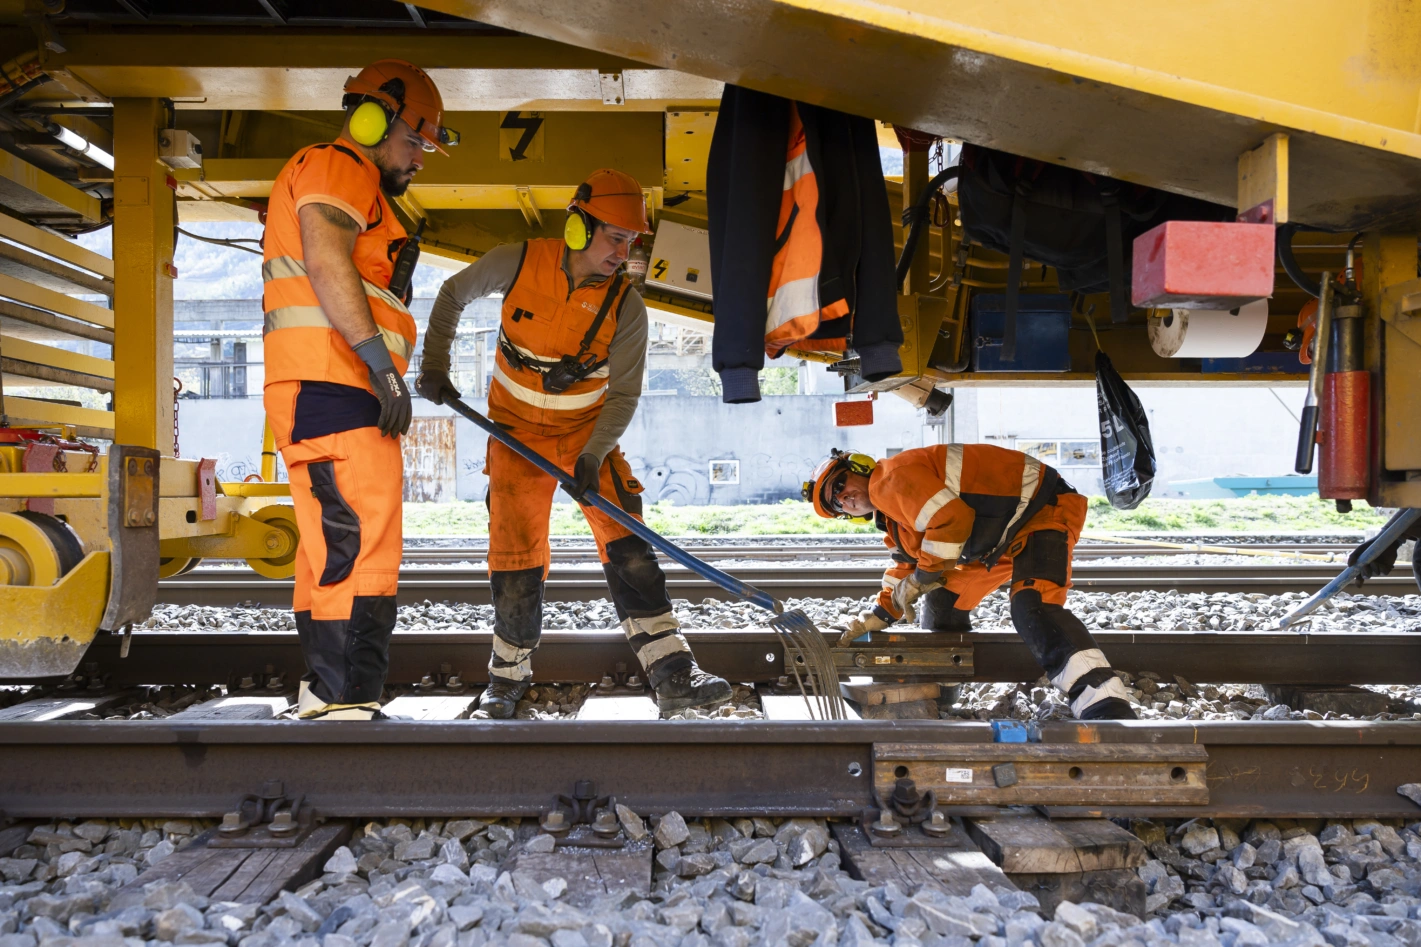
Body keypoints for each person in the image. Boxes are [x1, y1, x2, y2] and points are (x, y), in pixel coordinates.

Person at [416, 169, 732, 718]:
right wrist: (436, 365)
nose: (623, 252)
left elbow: (624, 394)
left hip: (587, 438)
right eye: (615, 237)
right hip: (514, 439)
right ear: (580, 227)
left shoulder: (627, 309)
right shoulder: (517, 261)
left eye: (631, 241)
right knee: (515, 563)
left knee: (629, 546)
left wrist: (592, 454)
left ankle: (673, 674)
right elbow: (450, 296)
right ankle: (505, 683)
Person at [261, 59, 458, 720]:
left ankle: (324, 696)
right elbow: (325, 259)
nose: (419, 159)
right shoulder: (340, 165)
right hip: (336, 383)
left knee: (331, 545)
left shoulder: (340, 177)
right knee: (363, 539)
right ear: (373, 120)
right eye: (415, 141)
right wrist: (380, 366)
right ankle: (349, 701)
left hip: (322, 384)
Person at [802, 444, 1136, 720]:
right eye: (835, 503)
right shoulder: (894, 520)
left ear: (860, 468)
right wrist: (879, 613)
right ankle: (944, 694)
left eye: (840, 485)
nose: (843, 499)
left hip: (1040, 510)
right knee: (943, 602)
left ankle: (1105, 703)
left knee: (1033, 606)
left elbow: (951, 521)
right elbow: (907, 566)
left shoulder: (889, 479)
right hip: (1000, 536)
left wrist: (922, 577)